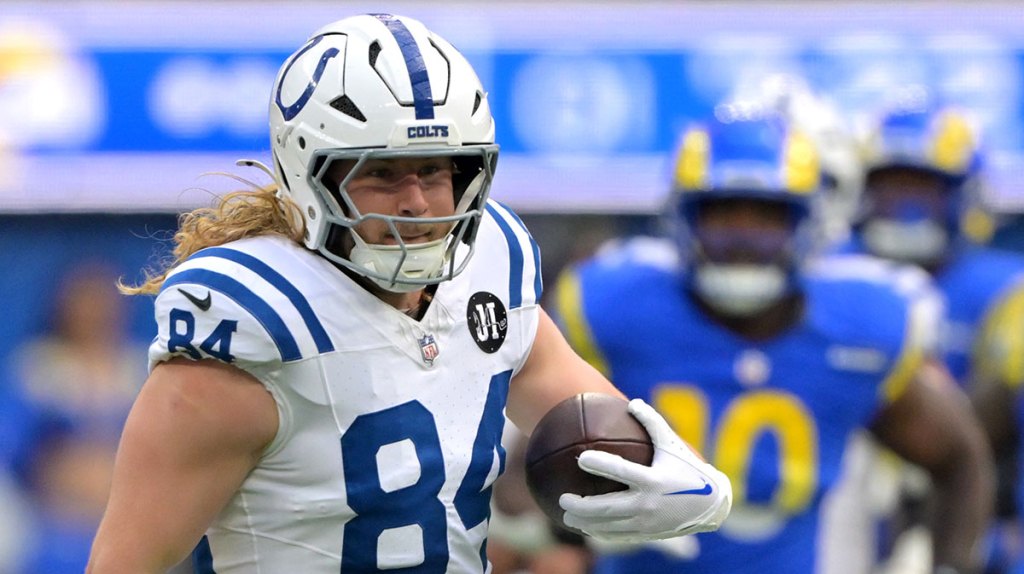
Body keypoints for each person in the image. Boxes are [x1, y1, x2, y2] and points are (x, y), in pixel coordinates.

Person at [85, 13, 732, 574]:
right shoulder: (254, 326)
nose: (417, 201)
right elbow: (124, 562)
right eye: (382, 174)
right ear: (310, 174)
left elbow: (595, 424)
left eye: (434, 169)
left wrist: (690, 483)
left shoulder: (491, 271)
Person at [551, 106, 994, 573]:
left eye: (767, 217)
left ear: (809, 224)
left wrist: (949, 564)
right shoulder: (618, 307)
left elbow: (960, 457)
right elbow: (533, 460)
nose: (743, 237)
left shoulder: (862, 324)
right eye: (723, 214)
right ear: (684, 217)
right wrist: (563, 524)